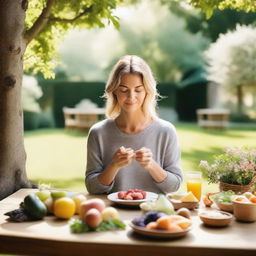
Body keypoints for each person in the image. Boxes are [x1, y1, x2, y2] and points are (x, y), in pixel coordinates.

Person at [85, 55, 182, 194]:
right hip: (113, 213)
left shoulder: (166, 131)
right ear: (114, 91)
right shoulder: (98, 132)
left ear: (147, 91)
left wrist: (151, 165)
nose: (131, 97)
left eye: (138, 90)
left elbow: (174, 186)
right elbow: (92, 188)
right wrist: (113, 165)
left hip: (154, 213)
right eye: (124, 90)